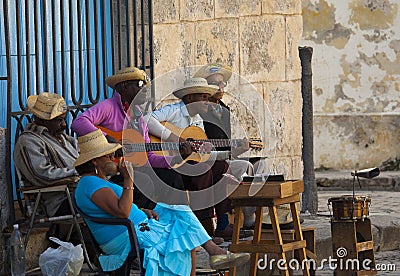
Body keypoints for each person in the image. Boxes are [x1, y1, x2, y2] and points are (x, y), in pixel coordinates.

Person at [73, 129, 250, 274]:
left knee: (181, 211)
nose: (113, 158)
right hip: (126, 236)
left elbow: (117, 208)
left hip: (136, 226)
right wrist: (128, 180)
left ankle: (213, 251)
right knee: (182, 232)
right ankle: (214, 253)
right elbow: (122, 212)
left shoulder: (99, 181)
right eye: (108, 156)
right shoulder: (89, 183)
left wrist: (142, 210)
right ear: (95, 161)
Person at [145, 77, 253, 240]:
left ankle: (222, 223)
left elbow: (204, 154)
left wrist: (233, 153)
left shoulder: (198, 121)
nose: (206, 101)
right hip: (170, 163)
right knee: (202, 169)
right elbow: (147, 120)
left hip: (188, 163)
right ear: (189, 98)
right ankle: (203, 227)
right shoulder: (174, 110)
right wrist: (176, 139)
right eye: (202, 97)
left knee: (222, 167)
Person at [71, 67, 192, 209]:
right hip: (113, 170)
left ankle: (179, 223)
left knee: (172, 178)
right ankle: (137, 223)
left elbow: (149, 157)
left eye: (147, 85)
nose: (146, 89)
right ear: (124, 87)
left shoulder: (139, 116)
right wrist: (107, 139)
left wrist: (179, 157)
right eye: (140, 84)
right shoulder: (108, 107)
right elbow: (78, 122)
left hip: (136, 168)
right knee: (143, 181)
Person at [194, 63, 256, 229]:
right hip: (209, 160)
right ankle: (228, 222)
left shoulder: (224, 109)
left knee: (257, 164)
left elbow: (225, 144)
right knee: (241, 167)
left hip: (224, 157)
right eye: (216, 84)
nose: (221, 87)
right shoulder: (201, 109)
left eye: (222, 83)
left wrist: (237, 150)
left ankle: (254, 215)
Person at [13, 92, 80, 239]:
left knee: (134, 185)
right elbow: (42, 175)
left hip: (80, 191)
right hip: (60, 201)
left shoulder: (62, 137)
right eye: (59, 120)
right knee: (108, 198)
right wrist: (77, 174)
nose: (64, 124)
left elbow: (83, 156)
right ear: (41, 120)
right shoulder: (28, 141)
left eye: (64, 119)